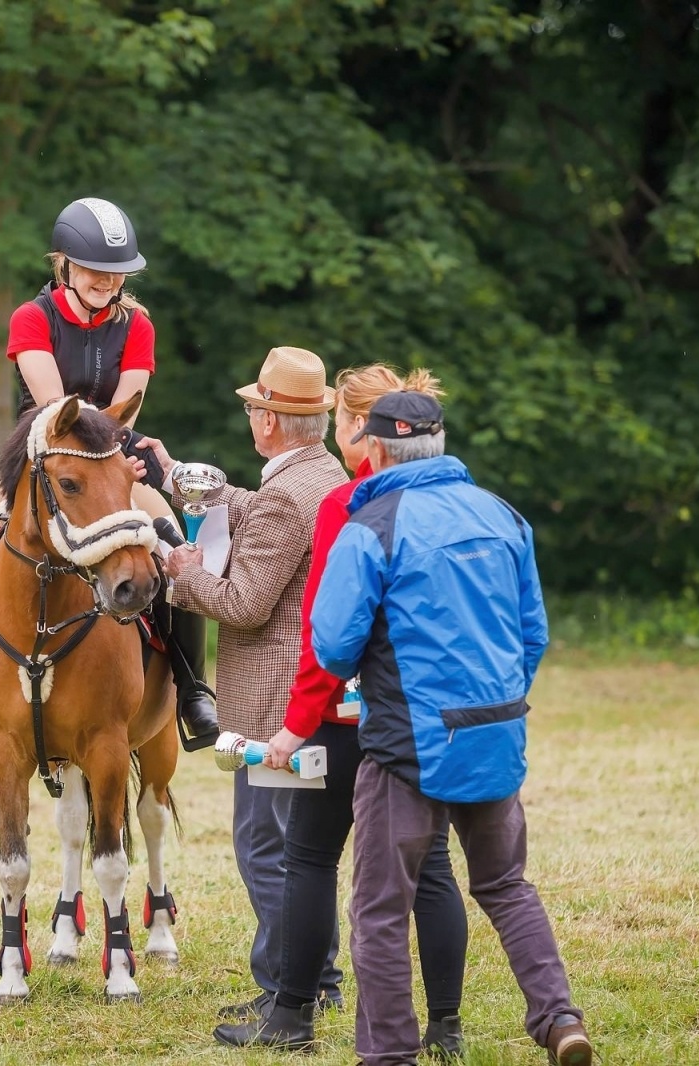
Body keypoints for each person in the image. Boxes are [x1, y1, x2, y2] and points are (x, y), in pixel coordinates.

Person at [311, 391, 594, 1066]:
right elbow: (533, 635)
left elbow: (332, 644)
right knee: (505, 885)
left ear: (374, 452)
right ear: (439, 445)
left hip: (405, 748)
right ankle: (559, 1020)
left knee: (379, 907)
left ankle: (390, 1056)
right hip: (494, 731)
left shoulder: (372, 525)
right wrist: (492, 700)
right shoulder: (504, 515)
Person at [0, 197, 219, 757]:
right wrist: (104, 446)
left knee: (171, 549)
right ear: (63, 263)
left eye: (115, 273)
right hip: (39, 462)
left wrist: (117, 459)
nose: (104, 281)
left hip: (113, 459)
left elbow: (126, 406)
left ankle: (192, 691)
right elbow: (53, 407)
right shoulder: (31, 318)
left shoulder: (138, 325)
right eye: (92, 269)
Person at [214, 366, 469, 1058]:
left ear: (365, 433)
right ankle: (446, 1027)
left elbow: (329, 635)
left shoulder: (345, 504)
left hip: (348, 719)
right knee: (434, 869)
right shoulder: (452, 504)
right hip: (421, 717)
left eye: (345, 422)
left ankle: (293, 1013)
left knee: (308, 856)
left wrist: (299, 722)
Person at [152, 346, 349, 1020]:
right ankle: (317, 980)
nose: (249, 414)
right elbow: (263, 508)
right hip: (318, 694)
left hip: (273, 703)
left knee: (268, 847)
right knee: (302, 848)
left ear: (268, 421)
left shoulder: (284, 501)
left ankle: (287, 988)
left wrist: (183, 570)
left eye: (253, 406)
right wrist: (186, 478)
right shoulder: (324, 474)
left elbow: (242, 604)